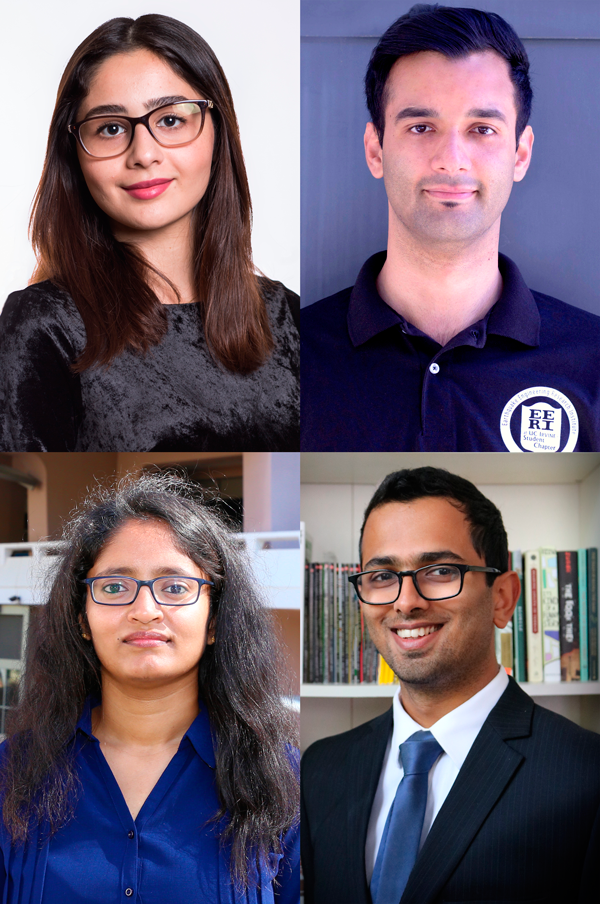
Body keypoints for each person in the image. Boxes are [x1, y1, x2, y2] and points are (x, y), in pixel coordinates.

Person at [301, 4, 600, 452]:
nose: (451, 158)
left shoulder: (592, 359)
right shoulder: (289, 357)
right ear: (375, 150)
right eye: (421, 127)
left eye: (482, 129)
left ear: (521, 154)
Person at [0, 14, 299, 452]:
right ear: (75, 154)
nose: (143, 153)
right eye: (111, 128)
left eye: (171, 120)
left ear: (218, 131)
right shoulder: (43, 326)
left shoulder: (289, 317)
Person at [301, 467, 600, 904]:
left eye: (439, 570)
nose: (406, 602)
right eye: (383, 576)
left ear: (503, 599)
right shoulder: (320, 768)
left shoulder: (587, 774)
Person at [0, 473, 299, 903]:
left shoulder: (280, 780)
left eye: (175, 587)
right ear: (82, 619)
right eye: (115, 586)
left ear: (213, 620)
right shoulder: (14, 772)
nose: (145, 610)